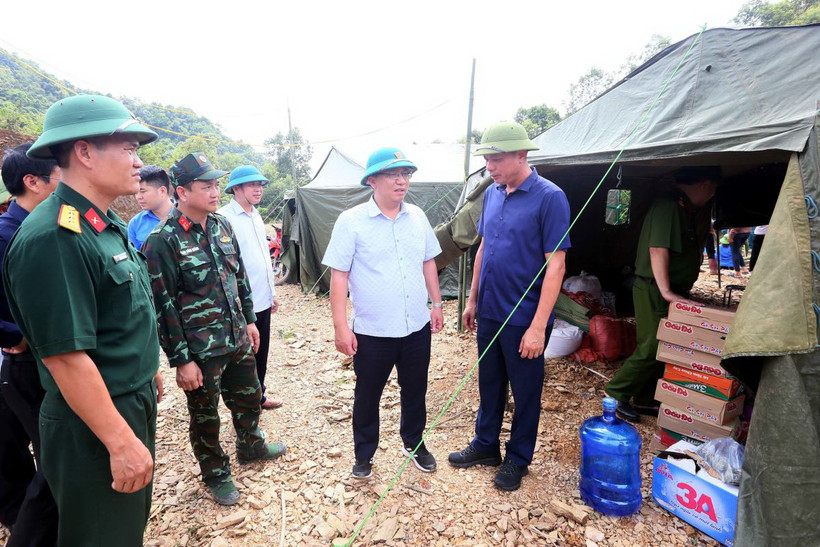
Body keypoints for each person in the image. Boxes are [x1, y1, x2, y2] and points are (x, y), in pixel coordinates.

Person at [2, 94, 163, 546]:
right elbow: (65, 358)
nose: (138, 162)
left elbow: (116, 317)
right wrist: (119, 441)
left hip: (121, 399)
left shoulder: (100, 223)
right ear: (85, 152)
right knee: (101, 536)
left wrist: (145, 368)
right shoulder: (54, 236)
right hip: (92, 418)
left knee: (122, 527)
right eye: (128, 149)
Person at [142, 153, 286, 506]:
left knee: (250, 396)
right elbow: (163, 305)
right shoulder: (163, 240)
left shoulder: (222, 225)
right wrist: (181, 360)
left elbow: (240, 279)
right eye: (206, 185)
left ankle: (251, 445)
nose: (214, 191)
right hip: (200, 349)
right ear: (182, 191)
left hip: (236, 337)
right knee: (205, 416)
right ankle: (215, 472)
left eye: (216, 184)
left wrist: (250, 320)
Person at [449, 122, 571, 492]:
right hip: (490, 310)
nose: (490, 166)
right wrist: (472, 299)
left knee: (525, 390)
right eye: (487, 158)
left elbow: (557, 264)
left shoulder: (550, 197)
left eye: (497, 158)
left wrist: (538, 326)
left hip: (525, 317)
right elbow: (483, 248)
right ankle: (486, 446)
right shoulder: (494, 193)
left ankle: (518, 458)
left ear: (522, 155)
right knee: (490, 383)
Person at [322, 147, 443, 480]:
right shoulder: (352, 222)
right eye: (393, 174)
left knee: (415, 388)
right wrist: (340, 327)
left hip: (415, 325)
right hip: (373, 330)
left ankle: (414, 442)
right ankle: (364, 454)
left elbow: (428, 261)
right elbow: (339, 275)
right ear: (372, 180)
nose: (401, 181)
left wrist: (437, 303)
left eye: (405, 174)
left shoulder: (417, 216)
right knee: (368, 394)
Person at [605, 167, 719, 422]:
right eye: (712, 188)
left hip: (666, 289)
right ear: (702, 183)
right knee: (653, 345)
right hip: (653, 289)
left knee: (663, 346)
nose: (712, 194)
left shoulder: (684, 208)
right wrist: (666, 290)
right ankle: (615, 393)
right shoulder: (668, 206)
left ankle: (645, 399)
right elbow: (658, 249)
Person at [0, 144, 59, 546]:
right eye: (59, 177)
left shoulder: (50, 226)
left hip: (49, 360)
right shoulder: (7, 234)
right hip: (25, 365)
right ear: (32, 182)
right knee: (53, 460)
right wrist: (14, 335)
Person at [217, 166, 283, 410]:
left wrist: (272, 292)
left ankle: (259, 396)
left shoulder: (255, 215)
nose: (258, 189)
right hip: (241, 304)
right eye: (252, 185)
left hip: (262, 297)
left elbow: (263, 257)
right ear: (236, 188)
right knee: (244, 357)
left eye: (260, 185)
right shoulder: (224, 218)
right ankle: (243, 407)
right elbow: (227, 267)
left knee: (261, 351)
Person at [127, 165, 173, 250]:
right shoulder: (135, 223)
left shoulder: (187, 215)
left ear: (162, 191)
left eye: (143, 191)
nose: (138, 197)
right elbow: (135, 259)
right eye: (136, 192)